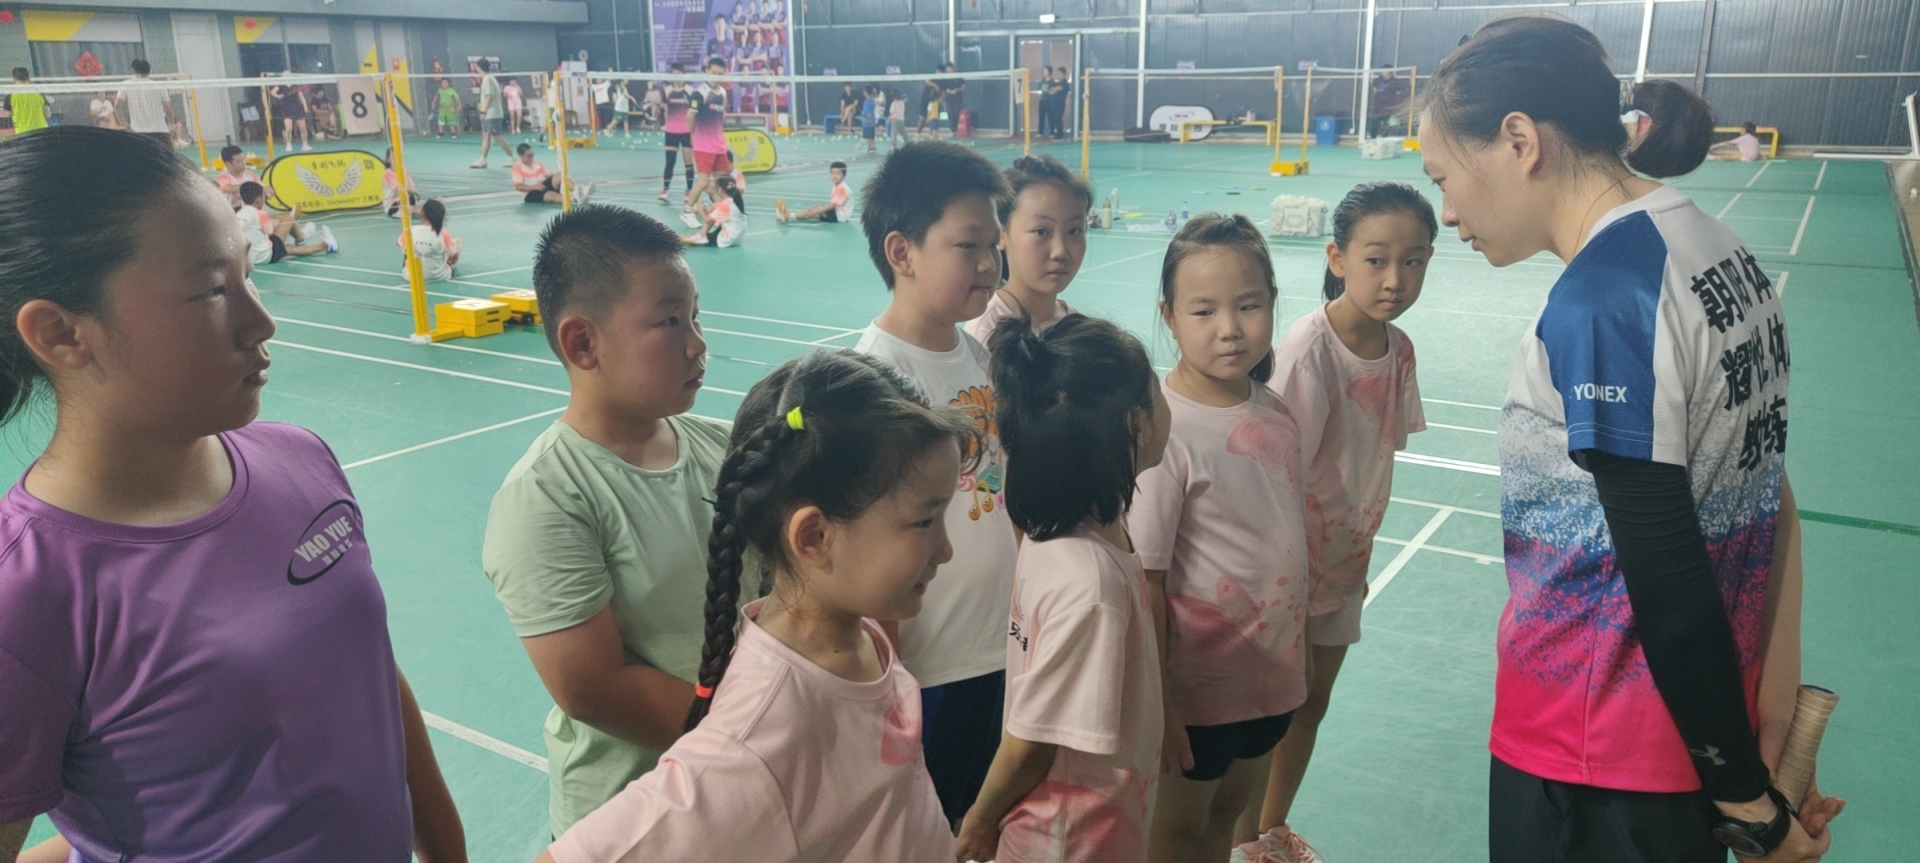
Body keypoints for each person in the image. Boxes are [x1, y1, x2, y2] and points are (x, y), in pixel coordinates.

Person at [1418, 17, 1843, 863]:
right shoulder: (1717, 249)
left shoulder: (1606, 300)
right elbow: (1769, 492)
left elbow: (1666, 572)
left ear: (1519, 142)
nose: (1449, 210)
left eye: (1444, 176)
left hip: (1593, 755)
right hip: (1685, 742)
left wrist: (1746, 797)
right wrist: (1764, 715)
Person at [0, 124, 463, 863]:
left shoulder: (301, 460)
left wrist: (444, 847)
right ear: (60, 333)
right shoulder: (28, 593)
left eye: (248, 275)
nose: (261, 320)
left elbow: (370, 673)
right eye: (214, 290)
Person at [533, 349, 969, 863]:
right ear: (814, 537)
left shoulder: (857, 634)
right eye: (924, 522)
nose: (946, 550)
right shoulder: (759, 738)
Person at [481, 206, 727, 837]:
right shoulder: (547, 497)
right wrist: (762, 730)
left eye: (695, 316)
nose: (697, 343)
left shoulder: (726, 446)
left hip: (741, 794)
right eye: (669, 321)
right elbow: (596, 689)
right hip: (634, 821)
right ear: (583, 344)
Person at [1234, 182, 1435, 863]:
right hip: (1287, 568)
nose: (1395, 279)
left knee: (1312, 705)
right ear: (1338, 258)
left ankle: (1271, 828)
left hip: (1344, 562)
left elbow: (1374, 458)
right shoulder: (1308, 349)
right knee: (1270, 711)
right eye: (1376, 260)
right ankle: (1242, 842)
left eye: (1413, 261)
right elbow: (1273, 474)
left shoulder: (1399, 349)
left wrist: (1355, 562)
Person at [954, 314, 1172, 863]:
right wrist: (980, 821)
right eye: (1157, 389)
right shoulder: (1089, 585)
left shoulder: (1060, 529)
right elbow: (1029, 744)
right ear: (1135, 423)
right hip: (1071, 839)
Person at [1129, 213, 1308, 863]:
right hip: (1197, 692)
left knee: (1230, 812)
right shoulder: (1164, 431)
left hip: (1268, 676)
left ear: (1273, 303)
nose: (1229, 328)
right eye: (1203, 311)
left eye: (1248, 306)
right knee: (1176, 832)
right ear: (1169, 317)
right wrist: (1162, 705)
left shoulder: (1274, 410)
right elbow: (1147, 581)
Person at [853, 141, 1019, 825]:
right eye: (968, 246)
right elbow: (873, 553)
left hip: (1001, 650)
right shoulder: (876, 380)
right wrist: (890, 685)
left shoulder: (978, 354)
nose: (988, 264)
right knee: (933, 829)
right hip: (934, 670)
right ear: (902, 252)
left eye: (993, 246)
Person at [964, 154, 1091, 345]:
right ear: (1000, 234)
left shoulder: (1080, 330)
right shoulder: (986, 334)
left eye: (1074, 231)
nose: (1060, 252)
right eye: (1041, 232)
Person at [236, 181, 334, 264]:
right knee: (288, 219)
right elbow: (270, 231)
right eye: (264, 196)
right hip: (266, 254)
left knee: (289, 248)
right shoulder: (261, 214)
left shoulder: (238, 214)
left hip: (251, 259)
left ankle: (326, 245)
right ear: (258, 200)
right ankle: (301, 238)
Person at [686, 59, 732, 212]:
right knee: (704, 180)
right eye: (713, 73)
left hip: (719, 145)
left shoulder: (723, 92)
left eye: (720, 74)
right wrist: (693, 134)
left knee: (721, 180)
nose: (716, 77)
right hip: (704, 145)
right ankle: (687, 209)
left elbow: (721, 117)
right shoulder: (699, 93)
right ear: (707, 71)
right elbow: (690, 117)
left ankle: (720, 207)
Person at [658, 64, 697, 204]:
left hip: (686, 131)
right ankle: (665, 190)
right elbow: (665, 110)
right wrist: (665, 125)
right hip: (671, 131)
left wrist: (693, 132)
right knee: (670, 162)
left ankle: (689, 191)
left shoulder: (691, 91)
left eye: (680, 74)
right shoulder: (666, 91)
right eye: (675, 75)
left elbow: (694, 112)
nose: (678, 78)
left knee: (688, 162)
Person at [398, 199, 460, 282]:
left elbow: (399, 243)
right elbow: (454, 255)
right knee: (455, 244)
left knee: (406, 247)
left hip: (411, 277)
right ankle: (448, 267)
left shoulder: (410, 230)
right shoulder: (443, 233)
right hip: (440, 277)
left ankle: (411, 268)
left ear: (422, 213)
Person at [118, 59, 176, 148]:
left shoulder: (126, 84)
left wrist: (123, 123)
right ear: (149, 71)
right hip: (160, 131)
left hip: (137, 132)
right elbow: (168, 110)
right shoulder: (159, 86)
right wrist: (172, 127)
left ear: (135, 71)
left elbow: (117, 106)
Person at [514, 142, 590, 206]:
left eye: (532, 155)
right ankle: (573, 200)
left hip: (543, 185)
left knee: (560, 175)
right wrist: (535, 187)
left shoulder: (538, 164)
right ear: (521, 156)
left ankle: (578, 192)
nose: (531, 157)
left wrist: (558, 178)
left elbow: (549, 175)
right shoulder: (517, 168)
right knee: (551, 195)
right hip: (530, 193)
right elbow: (518, 186)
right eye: (529, 156)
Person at [774, 160, 851, 224]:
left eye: (838, 173)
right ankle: (787, 216)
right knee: (813, 212)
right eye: (833, 173)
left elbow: (831, 206)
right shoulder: (837, 186)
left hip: (839, 216)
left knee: (814, 210)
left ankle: (788, 215)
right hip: (838, 215)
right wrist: (816, 211)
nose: (835, 176)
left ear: (844, 176)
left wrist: (816, 211)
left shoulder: (842, 188)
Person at [682, 174, 745, 248]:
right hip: (737, 239)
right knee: (713, 207)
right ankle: (701, 236)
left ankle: (701, 236)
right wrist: (704, 207)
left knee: (680, 239)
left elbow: (707, 220)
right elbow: (712, 208)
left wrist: (698, 202)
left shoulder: (725, 205)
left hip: (726, 239)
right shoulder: (734, 199)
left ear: (720, 190)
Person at [472, 58, 511, 168]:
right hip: (491, 114)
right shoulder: (488, 78)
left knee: (496, 136)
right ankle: (482, 160)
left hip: (492, 114)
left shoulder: (488, 79)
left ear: (479, 67)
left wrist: (484, 111)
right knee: (486, 136)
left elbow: (490, 96)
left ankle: (512, 158)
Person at [213, 144, 267, 209]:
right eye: (238, 162)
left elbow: (266, 190)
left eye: (243, 160)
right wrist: (253, 189)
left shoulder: (251, 175)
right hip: (231, 211)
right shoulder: (221, 177)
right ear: (228, 163)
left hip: (252, 210)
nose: (243, 163)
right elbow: (227, 188)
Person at [268, 77, 311, 152]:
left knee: (303, 128)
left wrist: (305, 106)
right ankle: (288, 144)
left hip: (297, 108)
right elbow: (272, 92)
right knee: (289, 128)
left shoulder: (296, 86)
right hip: (286, 108)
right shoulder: (281, 85)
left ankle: (305, 144)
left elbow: (301, 97)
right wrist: (278, 96)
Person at [6, 68, 48, 136]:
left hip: (23, 134)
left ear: (14, 79)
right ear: (28, 78)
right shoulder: (38, 92)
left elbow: (7, 116)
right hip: (42, 132)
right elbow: (48, 114)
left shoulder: (10, 95)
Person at [384, 147, 423, 219]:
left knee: (414, 206)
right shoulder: (387, 173)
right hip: (393, 206)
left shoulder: (404, 172)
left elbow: (411, 187)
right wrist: (415, 192)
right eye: (394, 158)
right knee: (416, 209)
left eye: (399, 157)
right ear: (388, 160)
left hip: (406, 202)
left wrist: (411, 192)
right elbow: (400, 188)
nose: (397, 160)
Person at [860, 84, 881, 153]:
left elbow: (868, 112)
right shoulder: (872, 100)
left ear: (865, 92)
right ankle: (873, 147)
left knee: (868, 137)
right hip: (872, 123)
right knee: (872, 136)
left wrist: (868, 120)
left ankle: (868, 148)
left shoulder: (867, 101)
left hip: (867, 123)